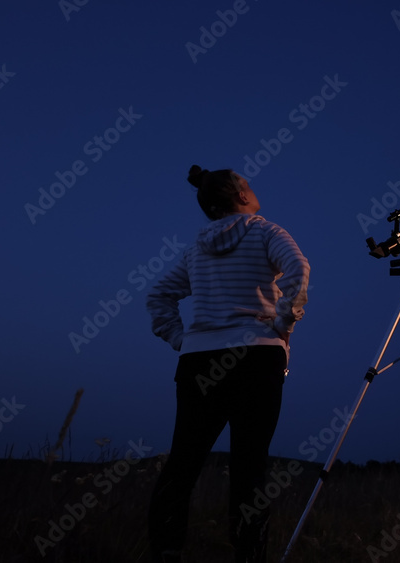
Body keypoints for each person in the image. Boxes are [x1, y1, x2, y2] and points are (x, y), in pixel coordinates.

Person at [146, 165, 310, 563]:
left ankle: (165, 551)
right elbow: (298, 269)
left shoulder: (195, 250)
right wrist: (283, 324)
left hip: (199, 362)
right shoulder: (267, 231)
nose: (253, 190)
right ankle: (249, 555)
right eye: (248, 185)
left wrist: (182, 340)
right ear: (241, 196)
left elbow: (158, 296)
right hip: (256, 357)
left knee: (183, 461)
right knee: (250, 466)